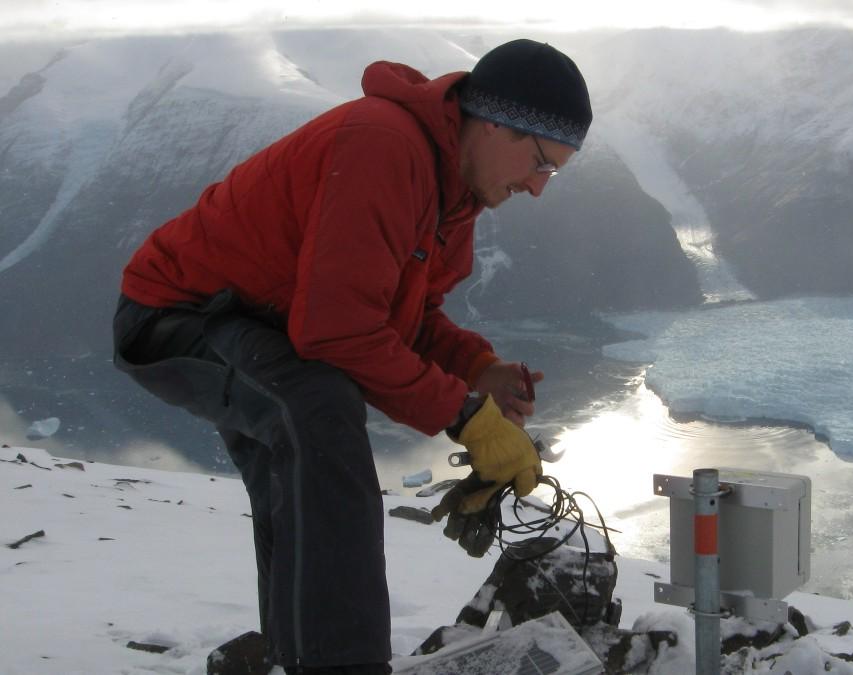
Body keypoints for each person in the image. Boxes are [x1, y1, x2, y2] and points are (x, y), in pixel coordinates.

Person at [111, 39, 591, 674]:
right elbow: (336, 330)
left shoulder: (455, 187)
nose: (536, 187)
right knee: (318, 410)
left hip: (255, 322)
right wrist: (466, 415)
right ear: (494, 121)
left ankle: (296, 656)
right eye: (538, 163)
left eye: (551, 172)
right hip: (180, 312)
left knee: (299, 469)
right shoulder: (385, 146)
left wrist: (475, 369)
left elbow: (403, 314)